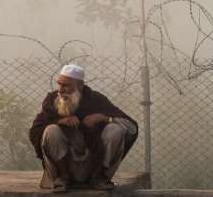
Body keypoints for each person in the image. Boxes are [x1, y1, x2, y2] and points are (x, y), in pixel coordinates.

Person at [28, 64, 138, 193]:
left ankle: (99, 178)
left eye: (66, 85)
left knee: (115, 130)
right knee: (51, 130)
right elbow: (36, 130)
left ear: (79, 85)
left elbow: (131, 127)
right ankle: (62, 178)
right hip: (64, 162)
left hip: (94, 161)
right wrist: (60, 121)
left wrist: (103, 117)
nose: (60, 90)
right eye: (59, 84)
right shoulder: (52, 100)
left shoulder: (96, 99)